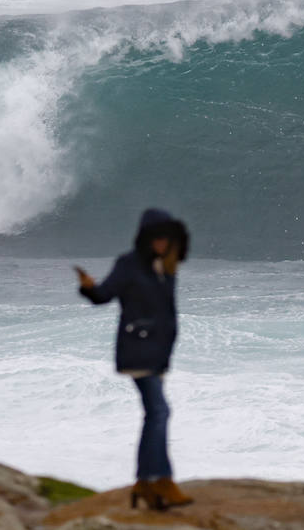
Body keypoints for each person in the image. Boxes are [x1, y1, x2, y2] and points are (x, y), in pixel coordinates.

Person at [76, 208, 193, 511]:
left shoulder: (164, 268)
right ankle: (162, 479)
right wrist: (88, 288)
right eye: (157, 237)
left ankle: (144, 483)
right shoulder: (128, 264)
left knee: (155, 414)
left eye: (167, 238)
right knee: (159, 411)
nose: (162, 243)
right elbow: (104, 295)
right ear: (146, 238)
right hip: (137, 349)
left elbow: (166, 313)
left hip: (157, 353)